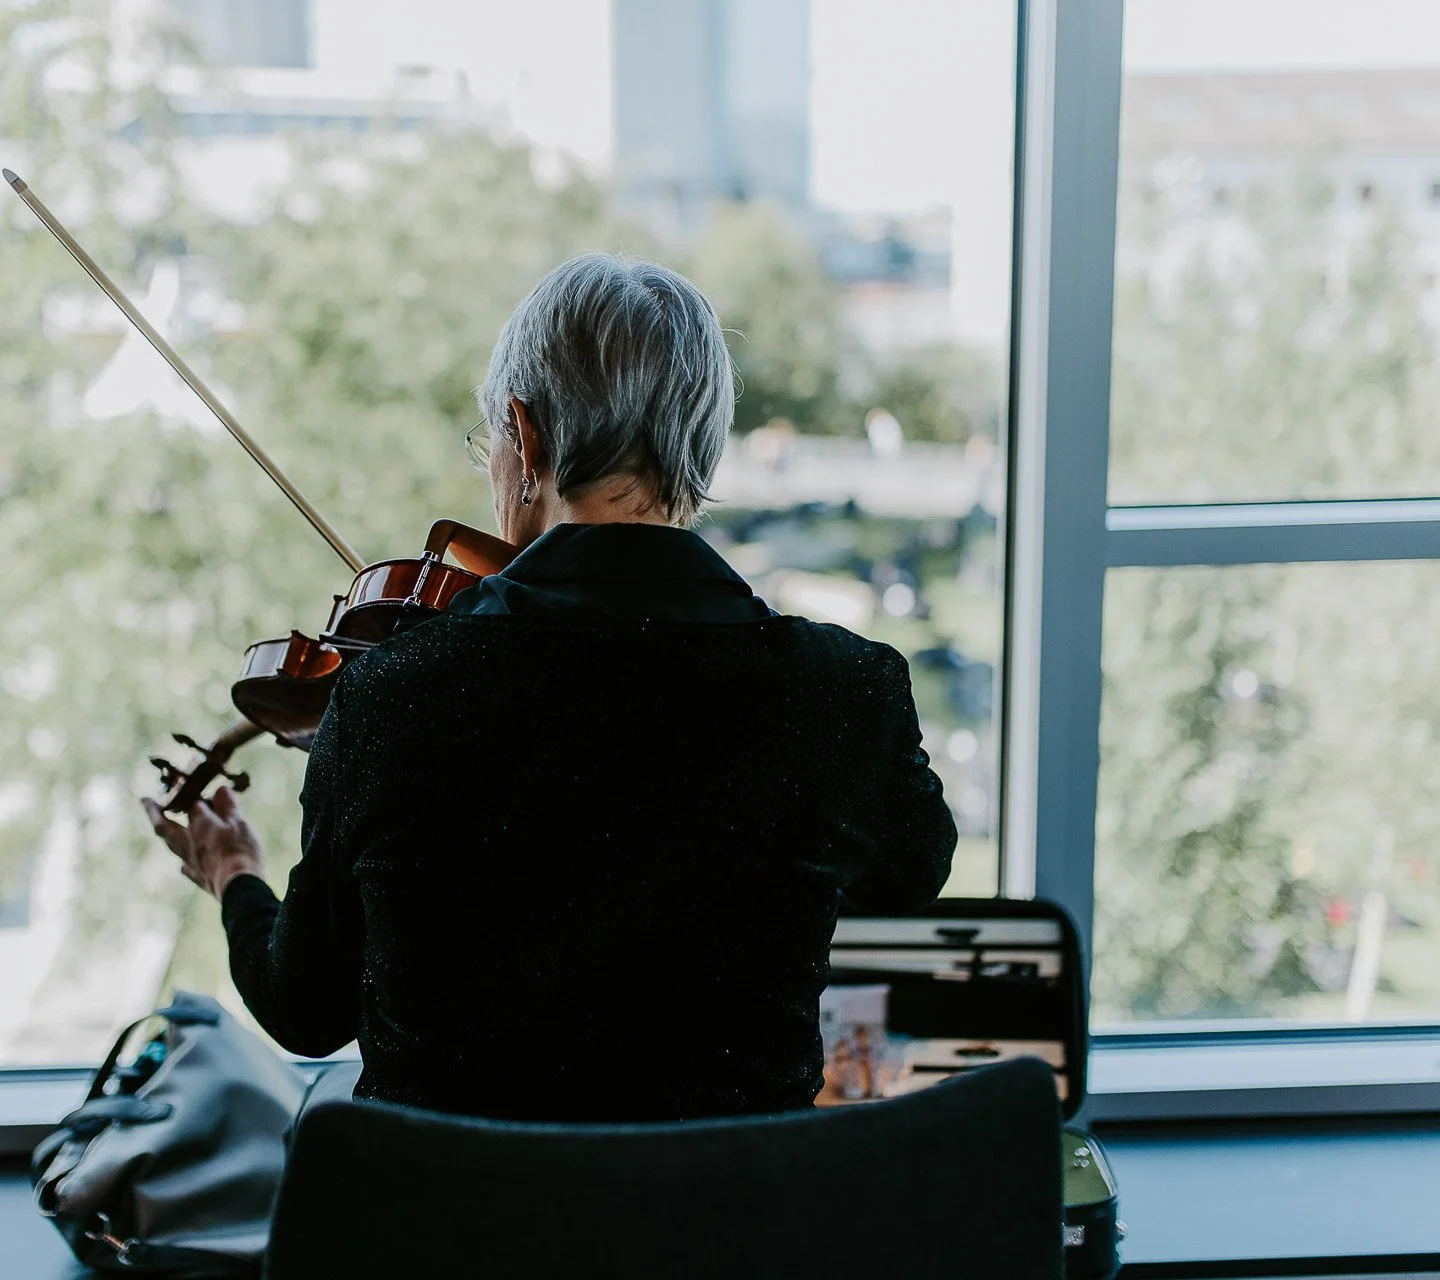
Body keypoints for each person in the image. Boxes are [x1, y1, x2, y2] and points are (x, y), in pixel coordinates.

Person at [144, 253, 955, 1123]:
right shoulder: (840, 696)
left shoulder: (392, 702)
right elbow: (906, 873)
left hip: (455, 1238)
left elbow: (305, 1011)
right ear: (703, 448)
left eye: (488, 443)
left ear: (525, 440)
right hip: (724, 1239)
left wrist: (235, 872)